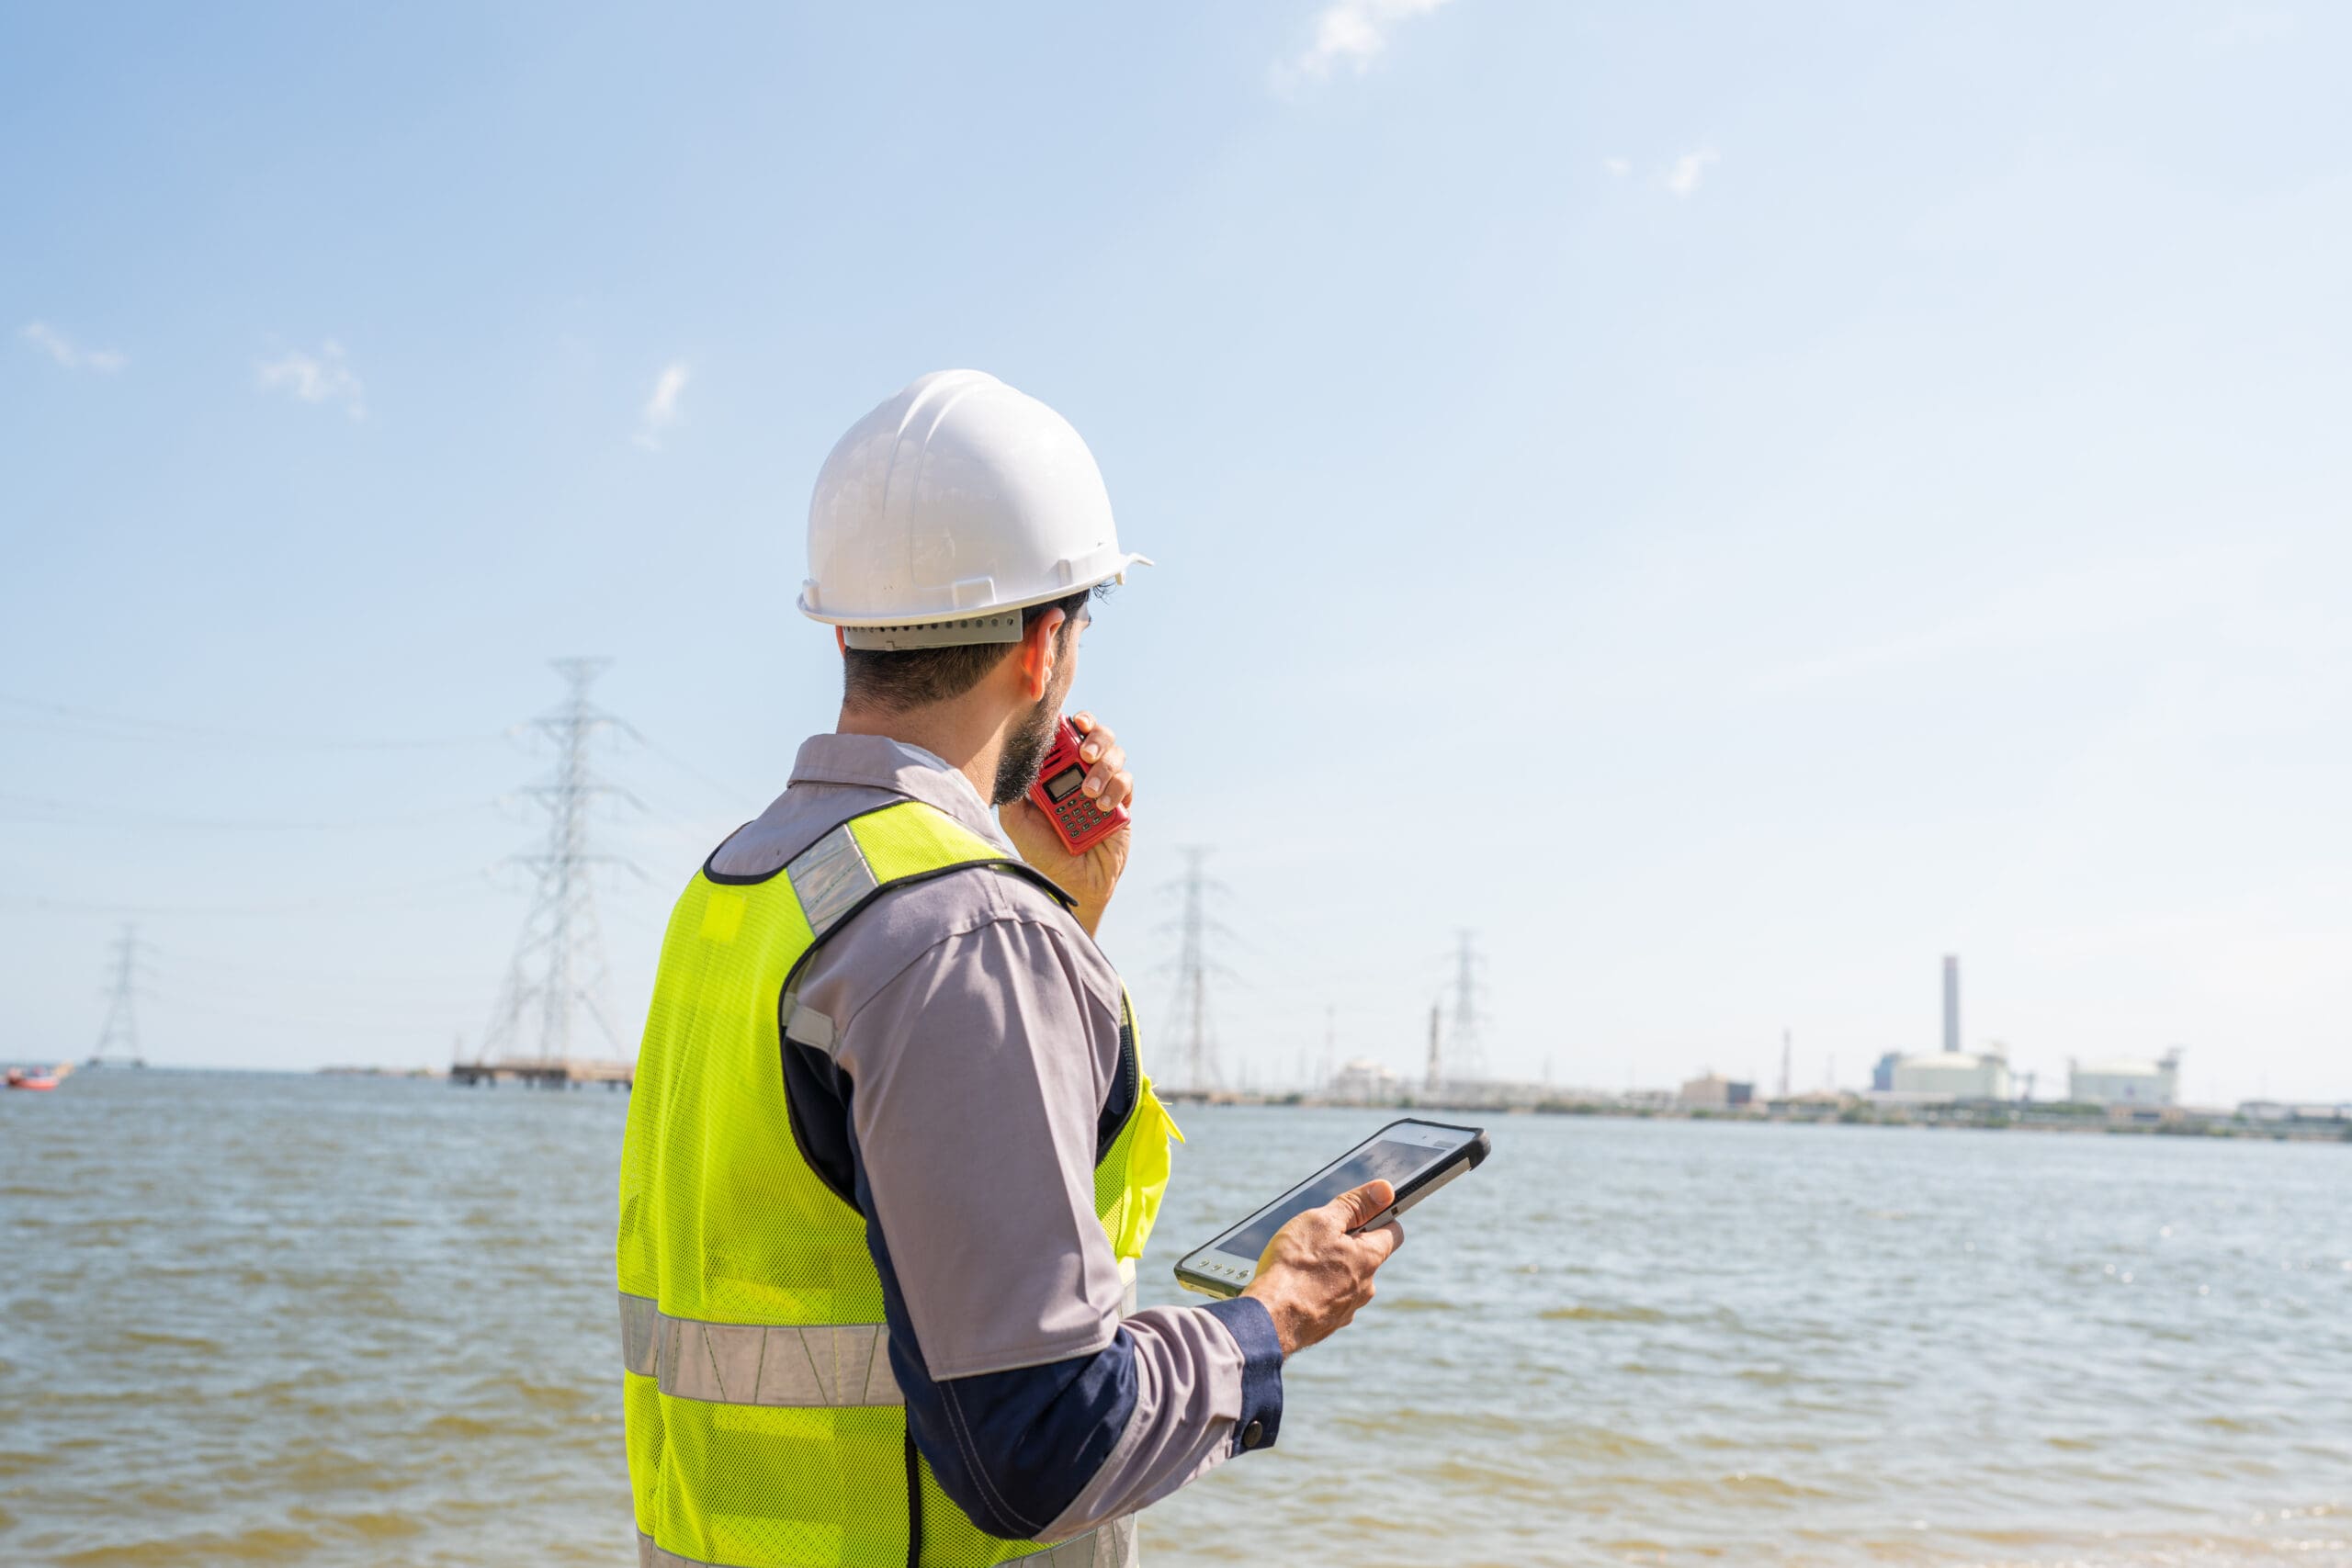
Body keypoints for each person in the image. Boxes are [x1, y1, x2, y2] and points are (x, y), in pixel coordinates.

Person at [616, 370, 1404, 1568]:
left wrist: (1062, 915)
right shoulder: (966, 933)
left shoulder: (743, 882)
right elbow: (1041, 1442)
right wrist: (1271, 1318)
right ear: (1044, 647)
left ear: (846, 630)